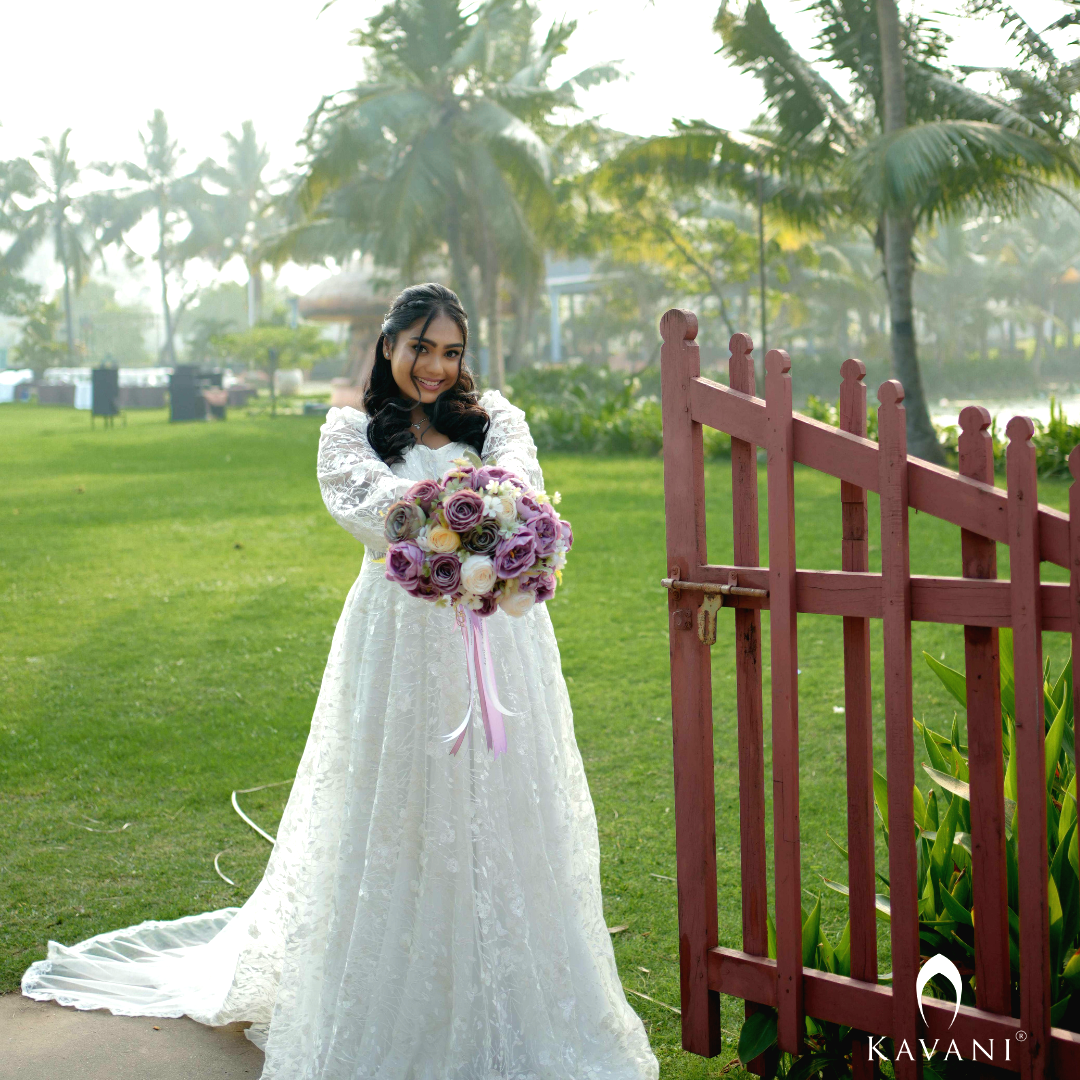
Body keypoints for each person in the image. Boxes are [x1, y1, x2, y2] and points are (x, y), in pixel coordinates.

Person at [22, 282, 660, 1080]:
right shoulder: (348, 431)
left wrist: (493, 527)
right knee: (394, 795)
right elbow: (372, 507)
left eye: (450, 351)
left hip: (498, 642)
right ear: (388, 344)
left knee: (502, 799)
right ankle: (395, 978)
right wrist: (463, 516)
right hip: (395, 639)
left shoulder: (497, 418)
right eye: (419, 347)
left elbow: (522, 490)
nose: (434, 366)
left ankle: (507, 980)